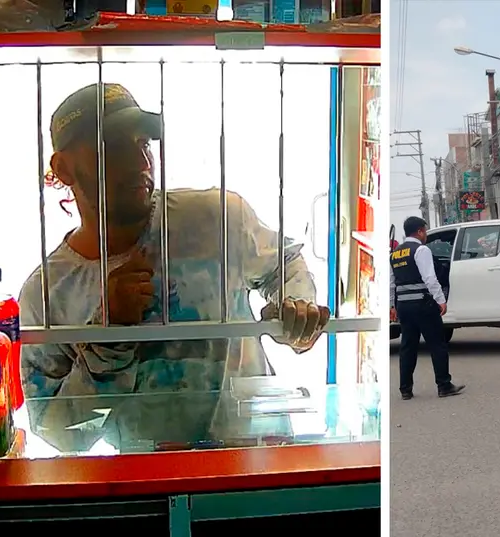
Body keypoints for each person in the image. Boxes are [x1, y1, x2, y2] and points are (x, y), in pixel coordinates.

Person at [18, 83, 330, 453]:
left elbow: (285, 264)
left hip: (257, 463)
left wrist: (295, 309)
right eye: (113, 147)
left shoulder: (213, 219)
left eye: (144, 144)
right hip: (156, 488)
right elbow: (61, 432)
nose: (142, 163)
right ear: (63, 168)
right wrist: (109, 335)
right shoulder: (47, 293)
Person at [389, 216, 465, 401]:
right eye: (424, 230)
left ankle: (405, 389)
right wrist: (441, 300)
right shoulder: (421, 250)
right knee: (437, 344)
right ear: (420, 231)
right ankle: (444, 385)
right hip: (423, 305)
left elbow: (391, 284)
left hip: (404, 308)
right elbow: (430, 278)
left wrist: (392, 305)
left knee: (408, 347)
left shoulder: (394, 254)